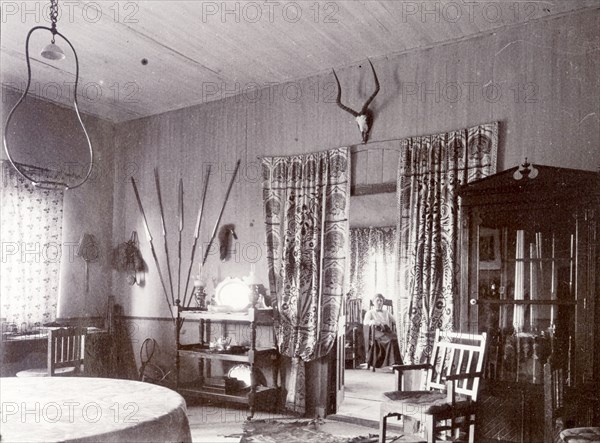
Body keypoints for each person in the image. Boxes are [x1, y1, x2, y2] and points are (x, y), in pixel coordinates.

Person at [363, 293, 402, 369]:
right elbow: (366, 322)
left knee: (397, 339)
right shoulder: (370, 312)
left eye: (381, 301)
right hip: (376, 331)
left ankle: (398, 362)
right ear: (373, 302)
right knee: (390, 340)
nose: (379, 302)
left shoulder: (386, 312)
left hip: (386, 330)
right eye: (377, 300)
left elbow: (394, 320)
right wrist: (375, 322)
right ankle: (392, 363)